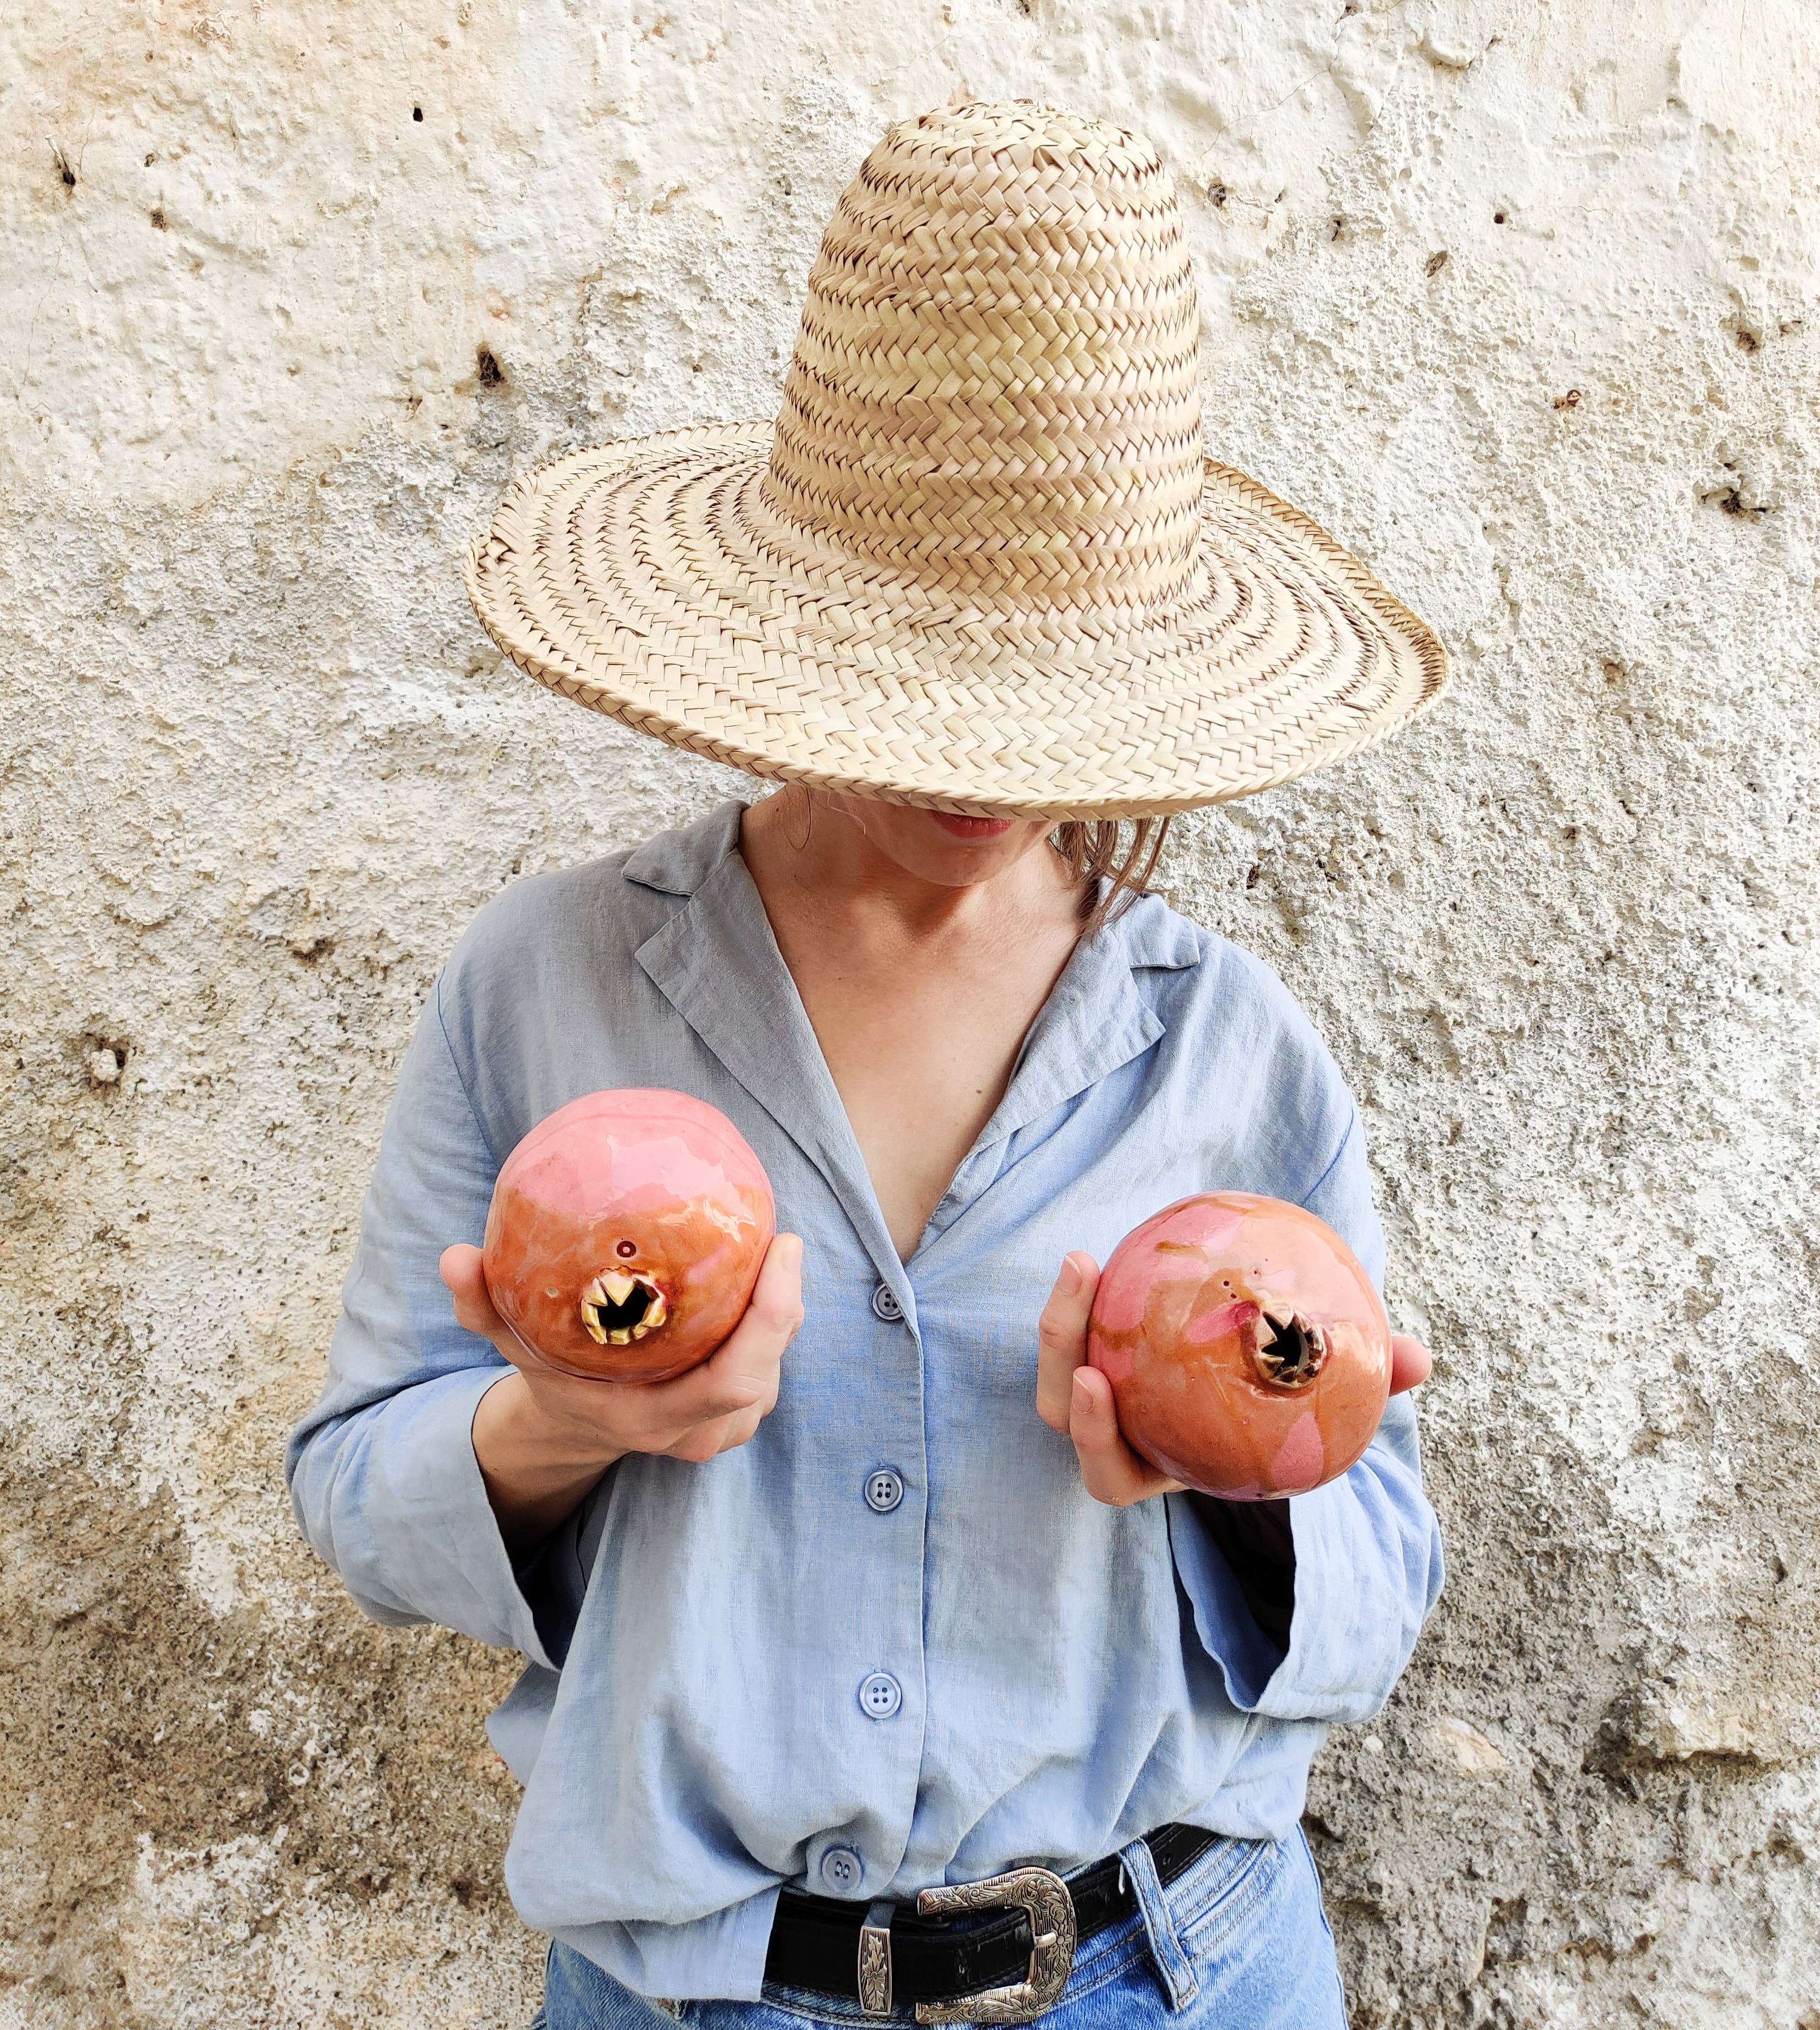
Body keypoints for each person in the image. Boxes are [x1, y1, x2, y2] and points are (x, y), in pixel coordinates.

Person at [289, 102, 1450, 2029]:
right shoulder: (550, 982)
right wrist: (570, 1424)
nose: (982, 777)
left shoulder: (1223, 1048)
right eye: (922, 684)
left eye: (1043, 701)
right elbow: (355, 1491)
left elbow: (1381, 1577)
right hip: (702, 1992)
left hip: (1178, 1971)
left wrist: (1243, 1473)